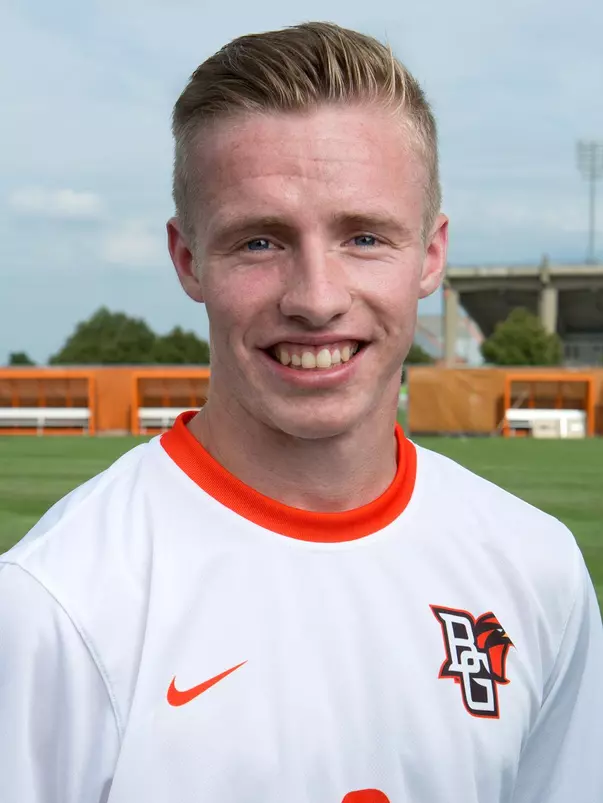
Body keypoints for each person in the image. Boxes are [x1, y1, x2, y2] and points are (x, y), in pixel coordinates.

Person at [0, 22, 601, 803]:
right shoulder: (53, 607)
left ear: (429, 254)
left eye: (362, 235)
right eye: (259, 241)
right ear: (188, 260)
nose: (315, 298)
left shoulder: (537, 568)